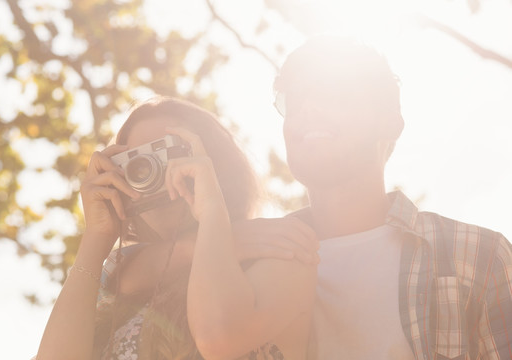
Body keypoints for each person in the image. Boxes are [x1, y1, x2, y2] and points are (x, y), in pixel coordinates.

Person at [265, 35, 512, 360]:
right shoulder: (250, 269)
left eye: (331, 88)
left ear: (390, 123)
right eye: (293, 97)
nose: (307, 106)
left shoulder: (480, 258)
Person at [34, 96, 319, 360]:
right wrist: (96, 237)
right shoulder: (120, 285)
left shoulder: (278, 250)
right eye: (135, 164)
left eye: (170, 154)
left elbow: (218, 338)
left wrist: (211, 215)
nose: (152, 172)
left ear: (215, 163)